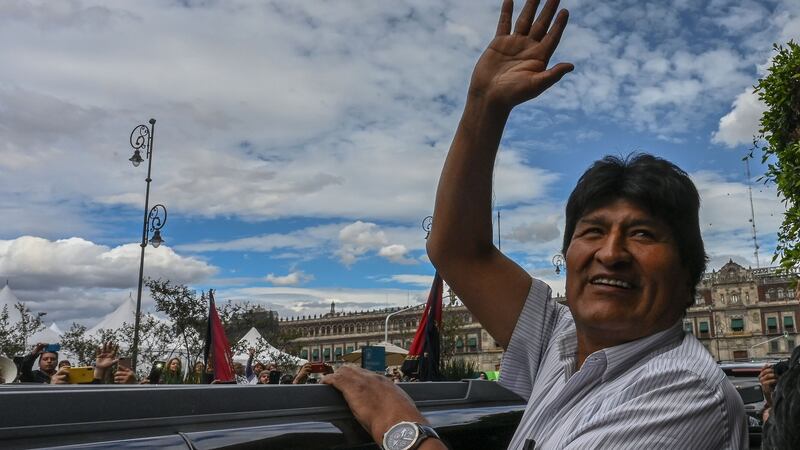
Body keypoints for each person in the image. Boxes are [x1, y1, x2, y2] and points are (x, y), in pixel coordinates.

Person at [323, 1, 747, 449]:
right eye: (592, 231)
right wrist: (484, 105)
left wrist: (397, 421)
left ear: (689, 276)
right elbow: (458, 252)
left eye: (642, 234)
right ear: (567, 256)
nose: (610, 253)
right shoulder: (561, 344)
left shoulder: (681, 395)